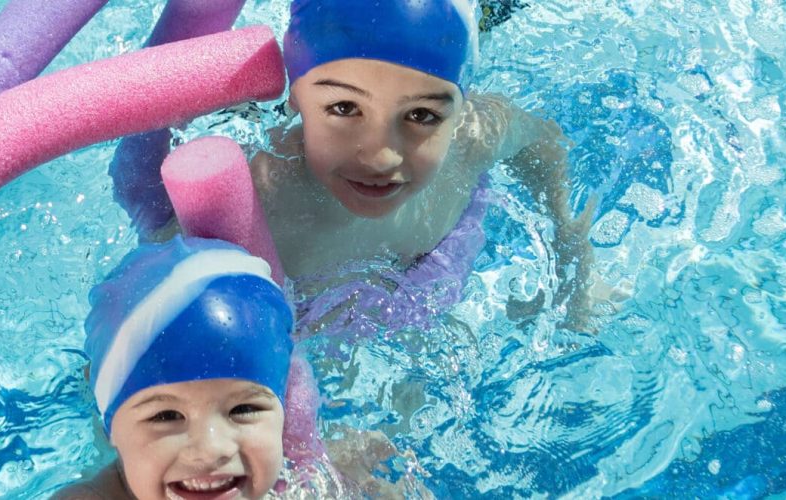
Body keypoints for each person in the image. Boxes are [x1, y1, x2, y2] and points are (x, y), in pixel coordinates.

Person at [116, 0, 596, 330]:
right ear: (294, 97)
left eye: (422, 116)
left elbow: (542, 141)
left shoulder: (473, 138)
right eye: (344, 110)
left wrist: (571, 246)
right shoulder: (259, 203)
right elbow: (137, 328)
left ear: (460, 106)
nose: (381, 155)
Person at [53, 236, 295, 500]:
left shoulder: (312, 476)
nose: (211, 449)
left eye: (244, 409)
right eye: (166, 416)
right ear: (109, 427)